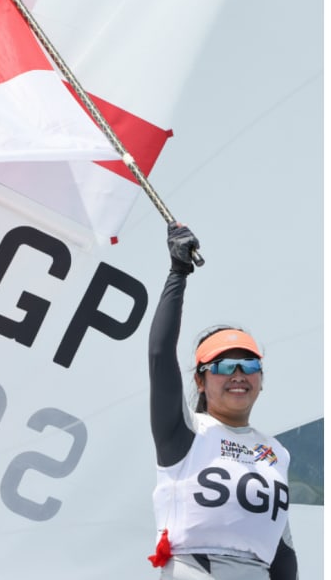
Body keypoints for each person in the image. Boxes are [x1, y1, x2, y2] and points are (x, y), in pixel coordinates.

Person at [147, 224, 298, 579]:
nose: (238, 374)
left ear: (261, 379)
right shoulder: (185, 432)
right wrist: (178, 273)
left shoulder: (276, 452)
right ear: (200, 381)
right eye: (224, 366)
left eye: (250, 365)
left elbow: (283, 554)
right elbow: (159, 355)